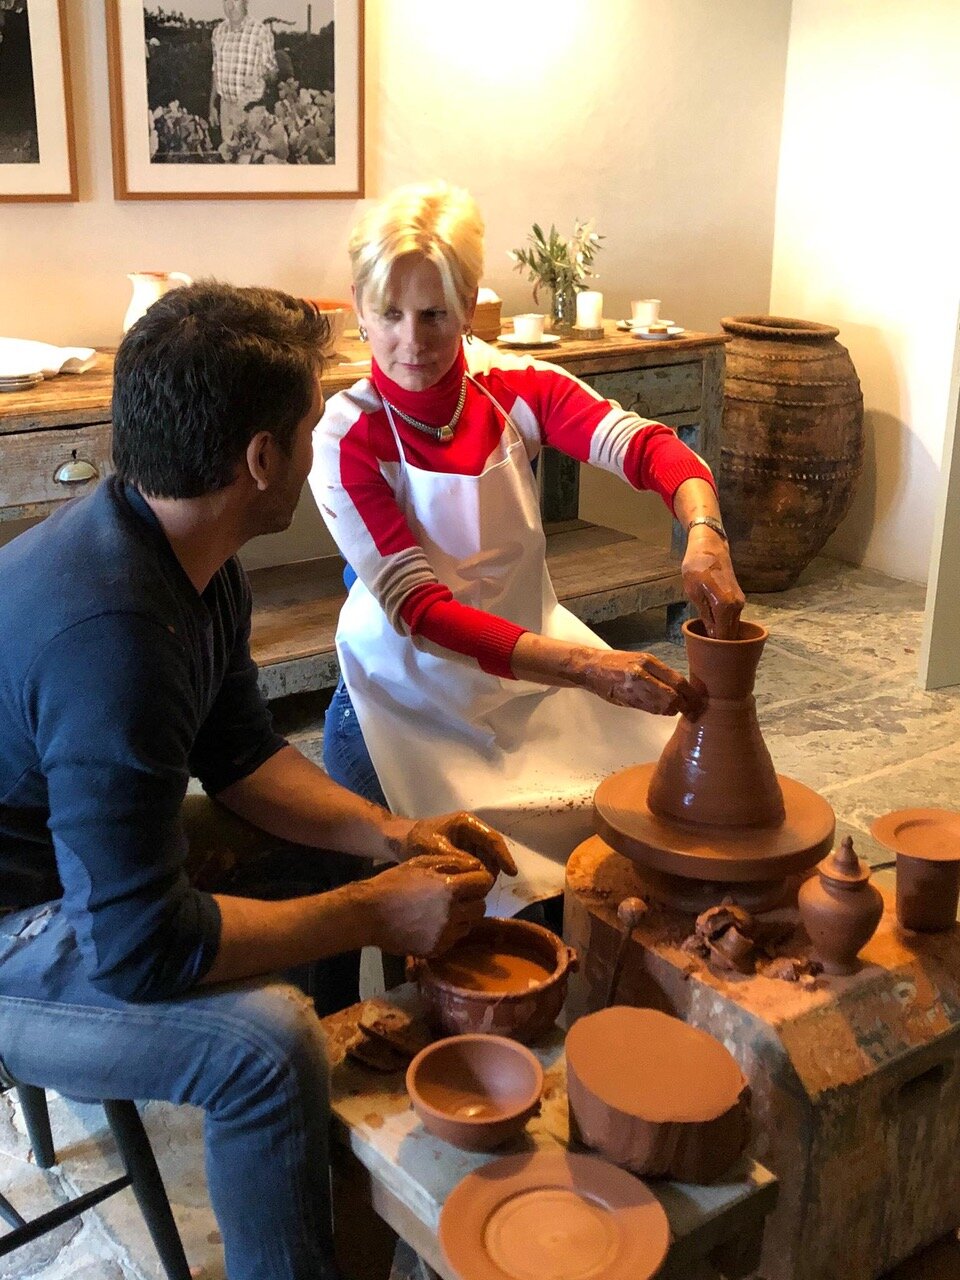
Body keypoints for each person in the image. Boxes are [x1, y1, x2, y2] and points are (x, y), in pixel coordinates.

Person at [0, 281, 514, 1280]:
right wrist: (372, 912)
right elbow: (142, 947)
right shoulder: (113, 638)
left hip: (66, 853)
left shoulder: (185, 550)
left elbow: (241, 758)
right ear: (263, 457)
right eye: (311, 425)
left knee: (330, 851)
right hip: (14, 922)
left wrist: (390, 838)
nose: (319, 443)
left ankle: (320, 1164)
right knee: (265, 1046)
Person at [310, 181, 745, 913]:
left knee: (639, 820)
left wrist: (704, 532)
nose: (410, 342)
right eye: (388, 315)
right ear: (358, 302)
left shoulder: (512, 386)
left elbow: (648, 446)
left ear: (470, 301)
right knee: (458, 890)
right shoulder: (344, 437)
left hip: (532, 673)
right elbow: (424, 611)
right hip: (406, 688)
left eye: (435, 315)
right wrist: (591, 667)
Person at [209, 0, 278, 142]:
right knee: (229, 155)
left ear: (245, 3)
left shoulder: (260, 32)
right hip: (226, 108)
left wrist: (262, 79)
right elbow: (216, 70)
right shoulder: (218, 32)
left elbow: (273, 73)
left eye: (236, 0)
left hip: (251, 111)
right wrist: (212, 105)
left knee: (252, 157)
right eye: (227, 1)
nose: (231, 6)